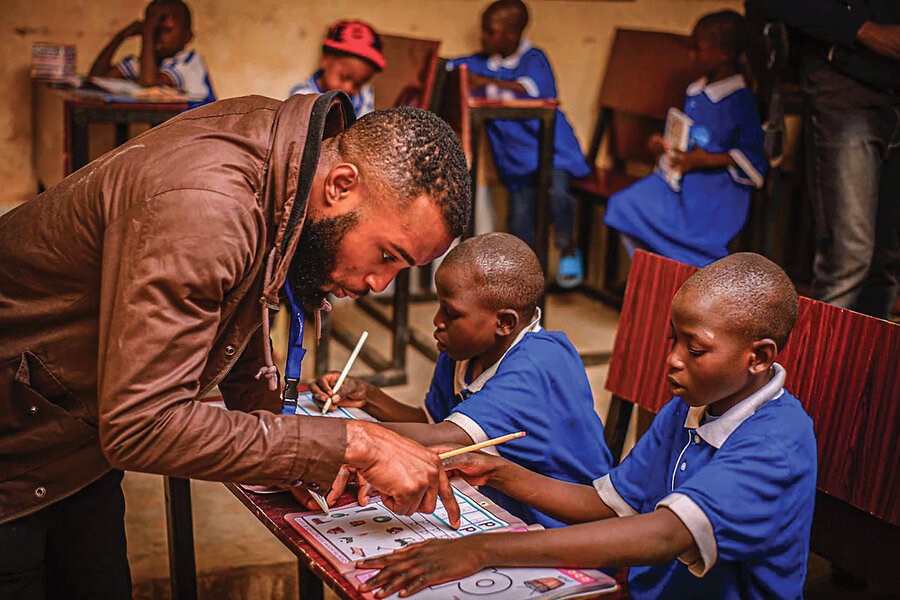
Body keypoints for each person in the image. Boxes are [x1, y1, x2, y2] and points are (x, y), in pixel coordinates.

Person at [0, 93, 470, 597]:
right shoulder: (209, 206)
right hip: (16, 448)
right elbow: (143, 425)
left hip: (71, 437)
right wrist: (352, 441)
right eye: (386, 255)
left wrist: (295, 448)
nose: (381, 284)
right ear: (341, 185)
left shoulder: (282, 158)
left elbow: (236, 294)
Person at [357, 252, 818, 600]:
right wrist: (498, 472)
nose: (672, 360)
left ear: (758, 358)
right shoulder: (696, 403)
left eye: (694, 349)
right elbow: (607, 502)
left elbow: (662, 535)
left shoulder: (776, 443)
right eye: (672, 339)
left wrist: (485, 549)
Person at [312, 233, 612, 528]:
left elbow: (450, 436)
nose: (437, 321)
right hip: (502, 512)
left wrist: (333, 436)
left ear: (504, 323)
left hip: (565, 530)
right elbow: (433, 425)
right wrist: (369, 397)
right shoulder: (464, 351)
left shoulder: (538, 365)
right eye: (439, 305)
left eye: (451, 313)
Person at [746, 0, 899, 320]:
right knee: (848, 260)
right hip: (846, 87)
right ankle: (820, 368)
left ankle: (865, 366)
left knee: (886, 263)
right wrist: (861, 29)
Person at [604, 10, 767, 268]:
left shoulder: (741, 100)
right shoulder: (695, 91)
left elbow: (754, 158)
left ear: (724, 54)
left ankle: (679, 285)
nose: (691, 55)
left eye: (697, 49)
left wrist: (705, 160)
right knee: (624, 207)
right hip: (680, 180)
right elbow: (686, 135)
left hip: (716, 192)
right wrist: (663, 144)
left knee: (695, 246)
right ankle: (656, 276)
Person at [446, 0, 590, 288]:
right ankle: (525, 279)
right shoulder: (485, 62)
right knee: (520, 220)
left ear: (511, 35)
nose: (483, 36)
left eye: (490, 31)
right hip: (517, 162)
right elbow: (451, 69)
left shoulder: (534, 59)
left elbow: (534, 91)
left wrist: (483, 82)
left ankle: (567, 247)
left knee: (558, 196)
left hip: (552, 152)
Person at [89, 0, 216, 106]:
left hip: (202, 130)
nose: (158, 36)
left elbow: (149, 82)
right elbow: (97, 78)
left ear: (188, 37)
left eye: (166, 30)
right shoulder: (143, 63)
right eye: (155, 30)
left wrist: (148, 29)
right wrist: (120, 37)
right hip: (175, 130)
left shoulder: (190, 62)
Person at [288, 20, 385, 118]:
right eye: (344, 77)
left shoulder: (364, 94)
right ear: (325, 60)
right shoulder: (302, 97)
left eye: (358, 84)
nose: (349, 88)